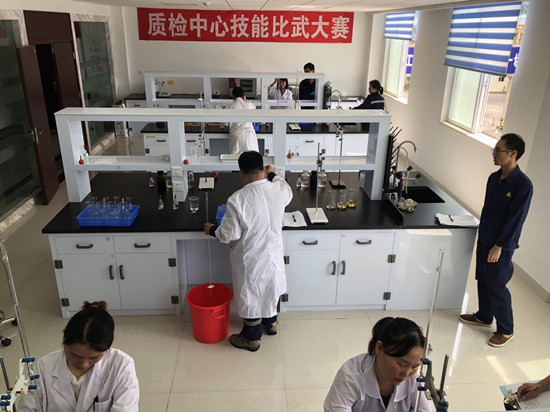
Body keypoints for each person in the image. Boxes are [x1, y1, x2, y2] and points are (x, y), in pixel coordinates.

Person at [204, 151, 292, 352]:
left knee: (252, 294)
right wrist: (272, 174)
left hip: (251, 258)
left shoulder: (237, 199)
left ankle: (251, 338)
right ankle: (271, 323)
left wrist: (212, 230)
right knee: (270, 287)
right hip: (273, 255)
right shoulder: (279, 190)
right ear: (263, 169)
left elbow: (228, 235)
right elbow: (286, 187)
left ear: (241, 174)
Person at [459, 133, 533, 348]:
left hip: (501, 245)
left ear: (513, 153)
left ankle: (506, 330)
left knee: (497, 284)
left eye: (498, 151)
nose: (494, 154)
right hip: (485, 237)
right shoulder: (494, 178)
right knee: (483, 278)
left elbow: (516, 220)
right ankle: (484, 315)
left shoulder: (522, 185)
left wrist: (499, 246)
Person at [18, 301, 139, 412]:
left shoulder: (121, 365)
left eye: (94, 358)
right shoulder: (44, 366)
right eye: (75, 356)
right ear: (64, 336)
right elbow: (27, 408)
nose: (83, 364)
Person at [324, 317, 434, 412]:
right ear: (379, 348)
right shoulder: (350, 377)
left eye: (415, 366)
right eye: (401, 364)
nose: (406, 373)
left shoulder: (415, 379)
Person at [227, 86, 259, 154]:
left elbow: (225, 123)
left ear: (233, 96)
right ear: (243, 95)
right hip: (249, 135)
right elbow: (254, 111)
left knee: (236, 158)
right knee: (251, 157)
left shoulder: (230, 106)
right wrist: (245, 101)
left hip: (236, 134)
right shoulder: (249, 104)